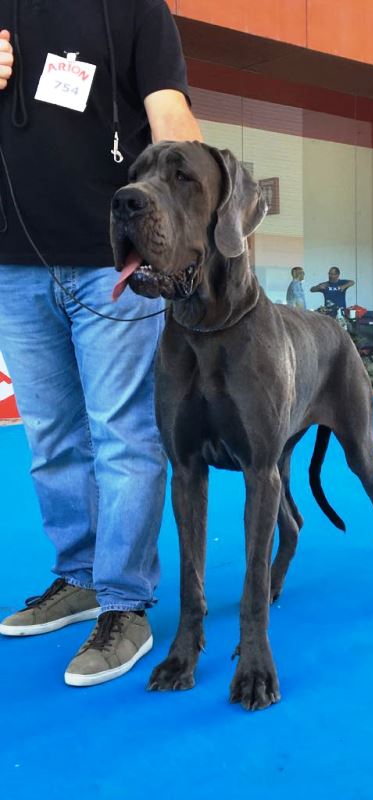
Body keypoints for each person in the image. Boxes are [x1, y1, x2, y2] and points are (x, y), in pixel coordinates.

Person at [0, 1, 202, 687]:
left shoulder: (137, 7)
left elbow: (170, 114)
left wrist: (198, 230)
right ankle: (80, 578)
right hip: (13, 261)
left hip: (113, 265)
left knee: (123, 434)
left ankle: (124, 604)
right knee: (51, 437)